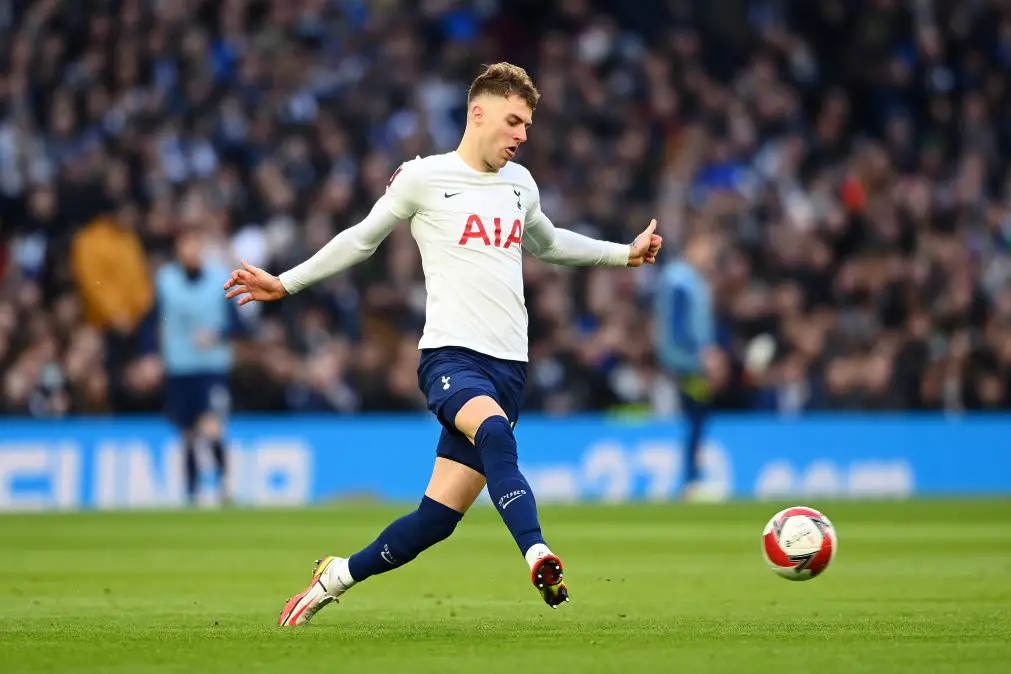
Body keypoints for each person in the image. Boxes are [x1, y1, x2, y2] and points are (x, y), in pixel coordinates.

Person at [224, 62, 663, 626]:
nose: (522, 135)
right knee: (496, 432)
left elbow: (550, 244)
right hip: (451, 358)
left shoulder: (520, 184)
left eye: (526, 125)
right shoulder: (423, 178)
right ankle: (538, 552)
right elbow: (361, 240)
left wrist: (622, 253)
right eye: (514, 121)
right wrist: (286, 282)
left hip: (510, 368)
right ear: (477, 113)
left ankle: (334, 576)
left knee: (435, 520)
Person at [153, 227, 246, 506]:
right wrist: (149, 354)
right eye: (186, 244)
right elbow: (152, 319)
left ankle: (225, 483)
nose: (191, 250)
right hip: (179, 366)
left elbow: (239, 325)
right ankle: (192, 492)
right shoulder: (165, 281)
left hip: (211, 367)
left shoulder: (221, 279)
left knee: (211, 426)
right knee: (188, 433)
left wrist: (216, 334)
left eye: (196, 244)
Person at [654, 235, 718, 498]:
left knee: (696, 417)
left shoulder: (686, 279)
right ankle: (690, 481)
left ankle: (692, 479)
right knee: (695, 417)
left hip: (688, 362)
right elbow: (679, 325)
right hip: (686, 364)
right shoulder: (681, 280)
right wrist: (702, 354)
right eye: (706, 249)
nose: (710, 257)